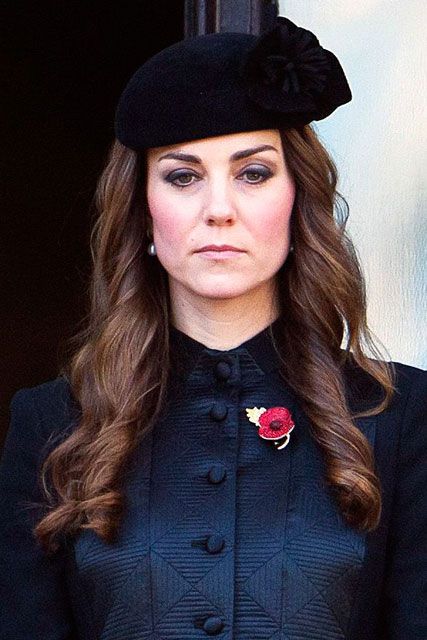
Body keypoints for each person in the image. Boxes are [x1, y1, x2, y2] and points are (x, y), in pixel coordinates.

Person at [0, 15, 426, 640]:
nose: (219, 210)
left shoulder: (401, 417)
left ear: (296, 198)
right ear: (143, 211)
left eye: (253, 173)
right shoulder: (51, 426)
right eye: (183, 176)